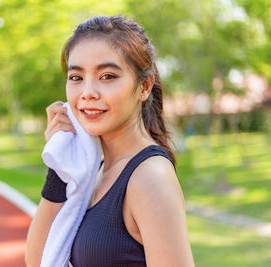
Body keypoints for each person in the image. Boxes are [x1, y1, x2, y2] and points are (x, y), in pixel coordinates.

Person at [26, 15, 194, 266]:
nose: (88, 93)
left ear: (144, 87)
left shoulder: (149, 176)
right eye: (76, 77)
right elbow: (38, 259)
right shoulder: (95, 168)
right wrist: (59, 165)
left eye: (107, 76)